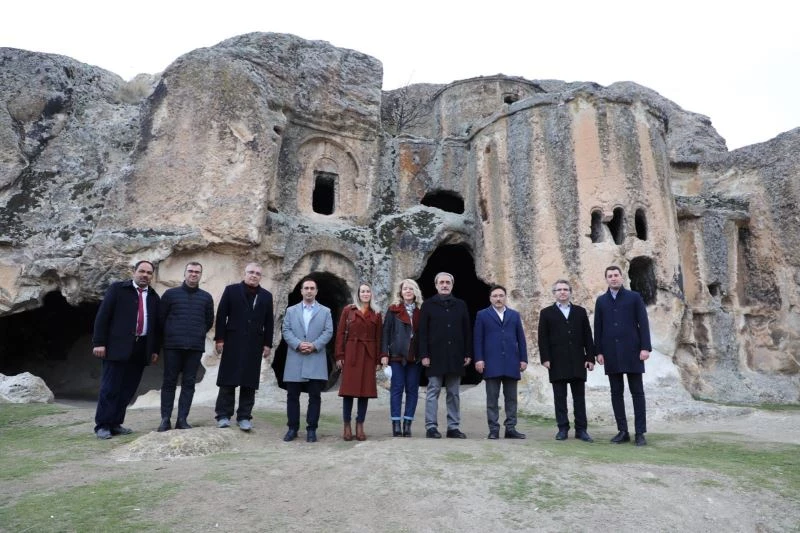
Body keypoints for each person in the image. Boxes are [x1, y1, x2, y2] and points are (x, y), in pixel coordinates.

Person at [92, 260, 160, 439]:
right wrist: (99, 342)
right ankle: (103, 425)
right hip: (117, 347)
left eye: (149, 273)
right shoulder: (118, 289)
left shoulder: (153, 297)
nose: (145, 275)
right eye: (142, 271)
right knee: (110, 387)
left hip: (140, 348)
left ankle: (115, 423)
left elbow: (156, 327)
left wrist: (154, 350)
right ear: (134, 272)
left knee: (127, 389)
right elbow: (103, 316)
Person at [594, 266, 652, 446]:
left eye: (616, 275)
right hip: (611, 352)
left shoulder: (634, 297)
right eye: (610, 276)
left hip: (633, 351)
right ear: (606, 279)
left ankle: (640, 432)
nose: (613, 278)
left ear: (621, 277)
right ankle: (622, 431)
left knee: (637, 392)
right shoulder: (601, 301)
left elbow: (643, 322)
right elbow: (598, 327)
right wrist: (599, 351)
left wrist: (645, 348)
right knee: (616, 393)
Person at [213, 263, 274, 432]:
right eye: (251, 272)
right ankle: (223, 415)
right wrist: (219, 339)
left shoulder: (266, 296)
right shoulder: (231, 290)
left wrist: (268, 344)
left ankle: (244, 417)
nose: (254, 275)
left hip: (254, 343)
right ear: (244, 273)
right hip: (232, 341)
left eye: (257, 273)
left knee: (249, 381)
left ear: (261, 277)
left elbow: (269, 322)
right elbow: (221, 315)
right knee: (228, 380)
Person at [157, 261, 214, 432]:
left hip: (195, 347)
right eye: (190, 271)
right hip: (173, 346)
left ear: (200, 275)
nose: (193, 274)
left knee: (189, 384)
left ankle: (182, 419)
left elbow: (209, 321)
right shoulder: (170, 295)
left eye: (197, 271)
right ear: (185, 273)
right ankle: (165, 419)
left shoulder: (206, 297)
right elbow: (161, 318)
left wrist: (198, 333)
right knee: (169, 382)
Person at [538, 279, 596, 442]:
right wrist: (545, 358)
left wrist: (590, 357)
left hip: (578, 360)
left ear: (570, 292)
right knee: (560, 398)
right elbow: (543, 338)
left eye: (565, 289)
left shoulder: (580, 311)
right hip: (556, 361)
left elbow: (587, 336)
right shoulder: (546, 313)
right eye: (559, 290)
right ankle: (562, 428)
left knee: (579, 398)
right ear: (554, 293)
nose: (562, 292)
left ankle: (581, 429)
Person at [418, 272, 472, 439]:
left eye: (447, 282)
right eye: (441, 282)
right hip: (435, 355)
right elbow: (422, 332)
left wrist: (468, 352)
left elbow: (467, 330)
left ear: (452, 285)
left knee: (454, 393)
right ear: (436, 285)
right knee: (433, 390)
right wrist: (424, 354)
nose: (444, 285)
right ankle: (431, 427)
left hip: (456, 355)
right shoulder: (428, 305)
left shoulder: (461, 305)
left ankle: (453, 427)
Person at [281, 276, 333, 442]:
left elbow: (328, 332)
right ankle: (292, 428)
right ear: (301, 291)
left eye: (312, 288)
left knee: (315, 397)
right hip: (295, 357)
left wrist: (314, 345)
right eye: (306, 288)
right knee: (292, 396)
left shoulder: (325, 311)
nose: (309, 291)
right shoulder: (291, 310)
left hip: (315, 357)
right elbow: (286, 330)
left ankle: (312, 429)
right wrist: (298, 344)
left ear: (316, 291)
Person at [474, 284, 528, 439]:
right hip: (491, 362)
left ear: (505, 297)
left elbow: (521, 339)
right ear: (490, 298)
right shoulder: (482, 315)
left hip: (512, 361)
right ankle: (493, 429)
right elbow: (478, 339)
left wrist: (523, 359)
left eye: (501, 296)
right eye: (495, 296)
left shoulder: (514, 315)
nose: (498, 298)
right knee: (492, 398)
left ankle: (510, 428)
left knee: (511, 398)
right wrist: (479, 359)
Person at [334, 283, 382, 441]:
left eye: (368, 291)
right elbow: (340, 333)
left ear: (371, 294)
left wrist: (378, 359)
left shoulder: (376, 313)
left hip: (368, 355)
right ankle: (346, 425)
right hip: (351, 353)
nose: (365, 294)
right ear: (358, 294)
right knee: (348, 391)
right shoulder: (349, 310)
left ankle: (360, 424)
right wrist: (340, 355)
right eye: (363, 291)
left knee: (365, 392)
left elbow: (379, 338)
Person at [380, 279, 423, 437]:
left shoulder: (421, 311)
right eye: (405, 288)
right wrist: (384, 354)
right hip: (397, 356)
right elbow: (385, 333)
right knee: (397, 389)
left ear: (415, 291)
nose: (408, 291)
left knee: (412, 390)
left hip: (415, 356)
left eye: (411, 288)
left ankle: (407, 424)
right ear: (400, 291)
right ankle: (396, 423)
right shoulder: (393, 310)